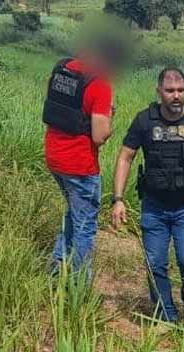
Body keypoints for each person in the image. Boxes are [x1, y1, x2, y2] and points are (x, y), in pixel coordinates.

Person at [111, 67, 184, 322]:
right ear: (159, 92)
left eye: (180, 90)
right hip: (154, 207)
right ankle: (167, 316)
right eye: (170, 91)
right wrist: (118, 199)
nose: (176, 96)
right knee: (155, 264)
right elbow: (125, 157)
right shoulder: (145, 121)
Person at [43, 40, 119, 278]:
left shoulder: (62, 69)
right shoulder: (100, 85)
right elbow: (99, 135)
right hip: (80, 165)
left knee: (74, 214)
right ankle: (78, 285)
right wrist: (110, 119)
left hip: (54, 157)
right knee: (85, 225)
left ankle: (55, 272)